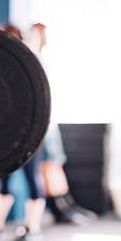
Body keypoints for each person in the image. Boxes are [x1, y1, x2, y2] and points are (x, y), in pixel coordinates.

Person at [0, 23, 46, 241]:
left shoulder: (30, 63)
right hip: (6, 134)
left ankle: (32, 227)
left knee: (31, 178)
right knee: (4, 180)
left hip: (30, 133)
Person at [26, 23, 96, 225]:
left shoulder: (40, 57)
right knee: (49, 165)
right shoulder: (31, 56)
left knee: (53, 164)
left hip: (47, 121)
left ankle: (64, 206)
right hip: (41, 123)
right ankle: (59, 208)